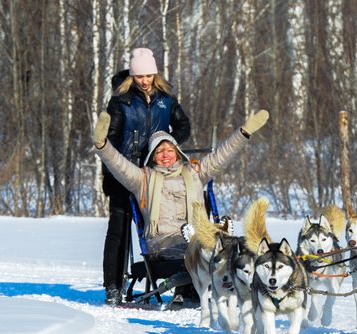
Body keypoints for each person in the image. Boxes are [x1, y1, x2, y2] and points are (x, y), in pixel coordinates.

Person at [92, 109, 270, 303]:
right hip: (163, 243)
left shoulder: (195, 172)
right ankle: (190, 289)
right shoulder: (142, 179)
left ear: (177, 152)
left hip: (197, 237)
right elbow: (119, 165)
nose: (165, 155)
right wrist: (102, 145)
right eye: (159, 151)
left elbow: (222, 155)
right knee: (197, 249)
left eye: (169, 150)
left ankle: (254, 288)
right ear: (152, 156)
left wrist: (243, 133)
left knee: (239, 247)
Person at [102, 47, 191, 306]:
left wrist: (167, 145)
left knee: (160, 226)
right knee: (118, 230)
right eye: (140, 76)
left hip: (156, 175)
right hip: (124, 172)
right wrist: (115, 170)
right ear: (132, 76)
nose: (145, 81)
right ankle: (112, 286)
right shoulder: (121, 101)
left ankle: (175, 276)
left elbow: (183, 126)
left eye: (149, 76)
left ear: (155, 74)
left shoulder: (166, 99)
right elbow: (111, 138)